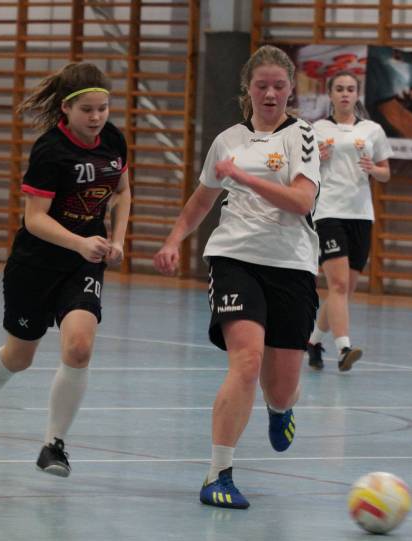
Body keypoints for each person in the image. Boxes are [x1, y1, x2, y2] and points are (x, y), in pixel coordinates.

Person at [154, 45, 320, 509]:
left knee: (281, 388)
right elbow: (202, 200)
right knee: (246, 361)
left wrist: (245, 179)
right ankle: (218, 473)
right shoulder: (228, 140)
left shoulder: (301, 136)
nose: (270, 94)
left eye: (279, 86)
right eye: (261, 85)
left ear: (290, 90)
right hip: (234, 258)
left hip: (291, 265)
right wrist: (173, 240)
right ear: (247, 88)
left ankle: (280, 409)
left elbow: (302, 201)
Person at [0, 62, 131, 477]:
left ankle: (54, 445)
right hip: (35, 265)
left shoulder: (113, 141)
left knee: (79, 347)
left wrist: (118, 240)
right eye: (87, 110)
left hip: (82, 265)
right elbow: (34, 219)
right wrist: (79, 242)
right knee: (19, 357)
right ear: (66, 109)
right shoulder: (50, 151)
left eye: (103, 108)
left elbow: (123, 192)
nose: (97, 117)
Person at [306, 71, 391, 371]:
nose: (345, 94)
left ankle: (313, 342)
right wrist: (316, 158)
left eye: (350, 89)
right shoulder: (317, 129)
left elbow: (385, 172)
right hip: (329, 213)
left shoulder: (372, 130)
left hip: (361, 214)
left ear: (357, 95)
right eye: (339, 89)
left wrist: (373, 169)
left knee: (344, 291)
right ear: (330, 94)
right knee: (339, 284)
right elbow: (300, 170)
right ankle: (344, 348)